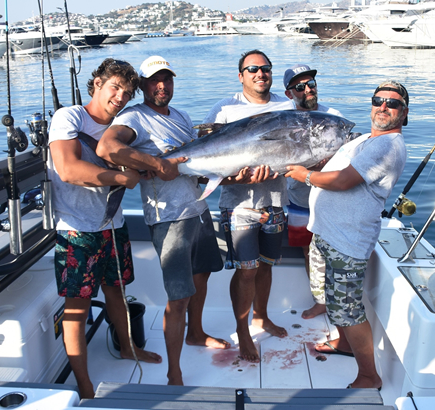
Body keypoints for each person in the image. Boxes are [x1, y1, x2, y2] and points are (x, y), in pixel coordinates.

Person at [96, 56, 228, 386]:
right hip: (168, 219)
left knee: (202, 276)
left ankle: (196, 333)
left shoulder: (181, 116)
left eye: (167, 79)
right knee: (178, 297)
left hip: (198, 209)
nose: (162, 86)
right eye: (155, 80)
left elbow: (194, 163)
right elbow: (107, 147)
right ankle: (174, 372)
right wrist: (156, 163)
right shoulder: (133, 117)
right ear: (142, 85)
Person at [48, 58, 162, 399]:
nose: (120, 97)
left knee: (117, 292)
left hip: (114, 224)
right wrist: (122, 177)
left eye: (127, 93)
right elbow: (68, 169)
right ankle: (84, 384)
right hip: (76, 230)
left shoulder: (121, 127)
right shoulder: (69, 117)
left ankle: (127, 348)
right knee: (77, 307)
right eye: (115, 87)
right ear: (97, 83)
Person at [285, 80, 409, 389]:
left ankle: (369, 375)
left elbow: (343, 181)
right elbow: (335, 166)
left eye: (393, 103)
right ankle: (343, 342)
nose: (383, 106)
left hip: (347, 241)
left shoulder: (388, 145)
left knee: (347, 310)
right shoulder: (366, 138)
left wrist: (304, 175)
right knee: (334, 300)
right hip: (327, 233)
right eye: (378, 100)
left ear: (404, 113)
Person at [202, 50, 291, 363]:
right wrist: (233, 178)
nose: (260, 74)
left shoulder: (286, 106)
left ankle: (261, 317)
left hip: (275, 201)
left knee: (266, 265)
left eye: (265, 68)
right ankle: (242, 330)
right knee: (247, 271)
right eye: (252, 69)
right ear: (241, 76)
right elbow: (205, 154)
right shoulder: (225, 109)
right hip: (238, 204)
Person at [282, 64, 342, 321]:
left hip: (331, 199)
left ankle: (338, 304)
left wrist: (322, 166)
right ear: (289, 94)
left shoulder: (333, 117)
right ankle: (320, 301)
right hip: (299, 199)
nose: (308, 89)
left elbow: (348, 158)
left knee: (334, 253)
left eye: (311, 84)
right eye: (300, 86)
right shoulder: (283, 120)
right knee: (309, 252)